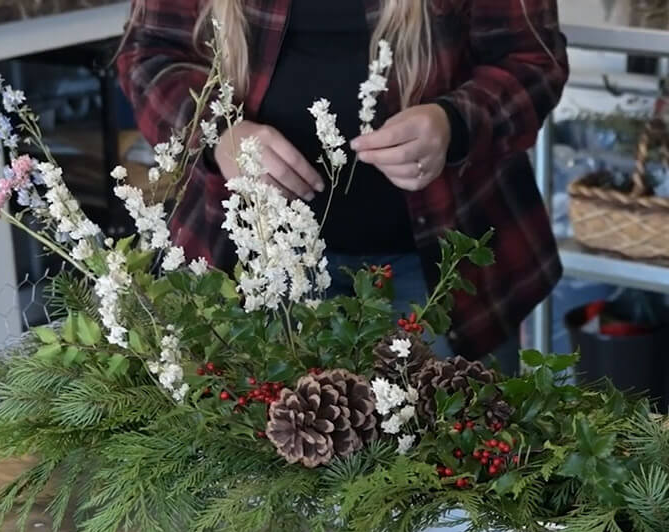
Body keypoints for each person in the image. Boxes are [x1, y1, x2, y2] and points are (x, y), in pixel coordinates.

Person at [117, 0, 569, 366]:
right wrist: (217, 134)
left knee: (455, 460)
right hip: (247, 266)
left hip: (441, 267)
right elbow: (149, 52)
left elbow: (533, 60)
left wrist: (455, 122)